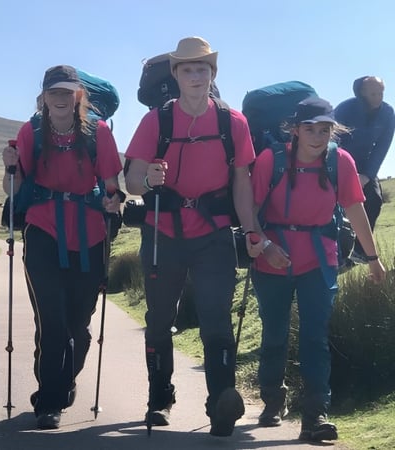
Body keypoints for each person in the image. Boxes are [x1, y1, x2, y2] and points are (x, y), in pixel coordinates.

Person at [123, 36, 258, 437]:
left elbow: (242, 183)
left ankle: (221, 402)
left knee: (217, 317)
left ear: (212, 74)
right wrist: (147, 178)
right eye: (188, 69)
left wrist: (251, 231)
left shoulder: (233, 123)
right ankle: (160, 397)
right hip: (162, 232)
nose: (196, 75)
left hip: (214, 235)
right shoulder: (156, 121)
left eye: (203, 68)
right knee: (159, 320)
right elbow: (131, 181)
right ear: (176, 75)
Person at [248, 97, 386, 442]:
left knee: (315, 337)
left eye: (324, 129)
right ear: (294, 130)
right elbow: (250, 208)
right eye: (310, 128)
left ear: (332, 130)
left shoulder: (341, 161)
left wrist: (373, 258)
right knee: (275, 333)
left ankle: (315, 416)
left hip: (319, 259)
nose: (317, 136)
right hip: (272, 256)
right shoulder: (271, 160)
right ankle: (272, 402)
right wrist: (262, 244)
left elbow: (354, 208)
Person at [1, 65, 122, 430]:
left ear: (78, 96)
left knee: (78, 327)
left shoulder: (97, 133)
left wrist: (113, 201)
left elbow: (112, 185)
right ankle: (49, 400)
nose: (60, 98)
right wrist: (10, 169)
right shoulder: (31, 132)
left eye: (67, 91)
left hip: (89, 235)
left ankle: (64, 381)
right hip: (43, 230)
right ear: (44, 96)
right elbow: (14, 189)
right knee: (51, 322)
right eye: (54, 91)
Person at [334, 76, 395, 262]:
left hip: (367, 165)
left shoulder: (388, 113)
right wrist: (342, 170)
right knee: (335, 206)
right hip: (340, 161)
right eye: (373, 94)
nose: (378, 98)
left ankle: (360, 252)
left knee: (374, 200)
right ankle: (334, 250)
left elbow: (382, 147)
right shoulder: (345, 109)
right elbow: (332, 140)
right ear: (361, 93)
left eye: (381, 93)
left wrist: (367, 175)